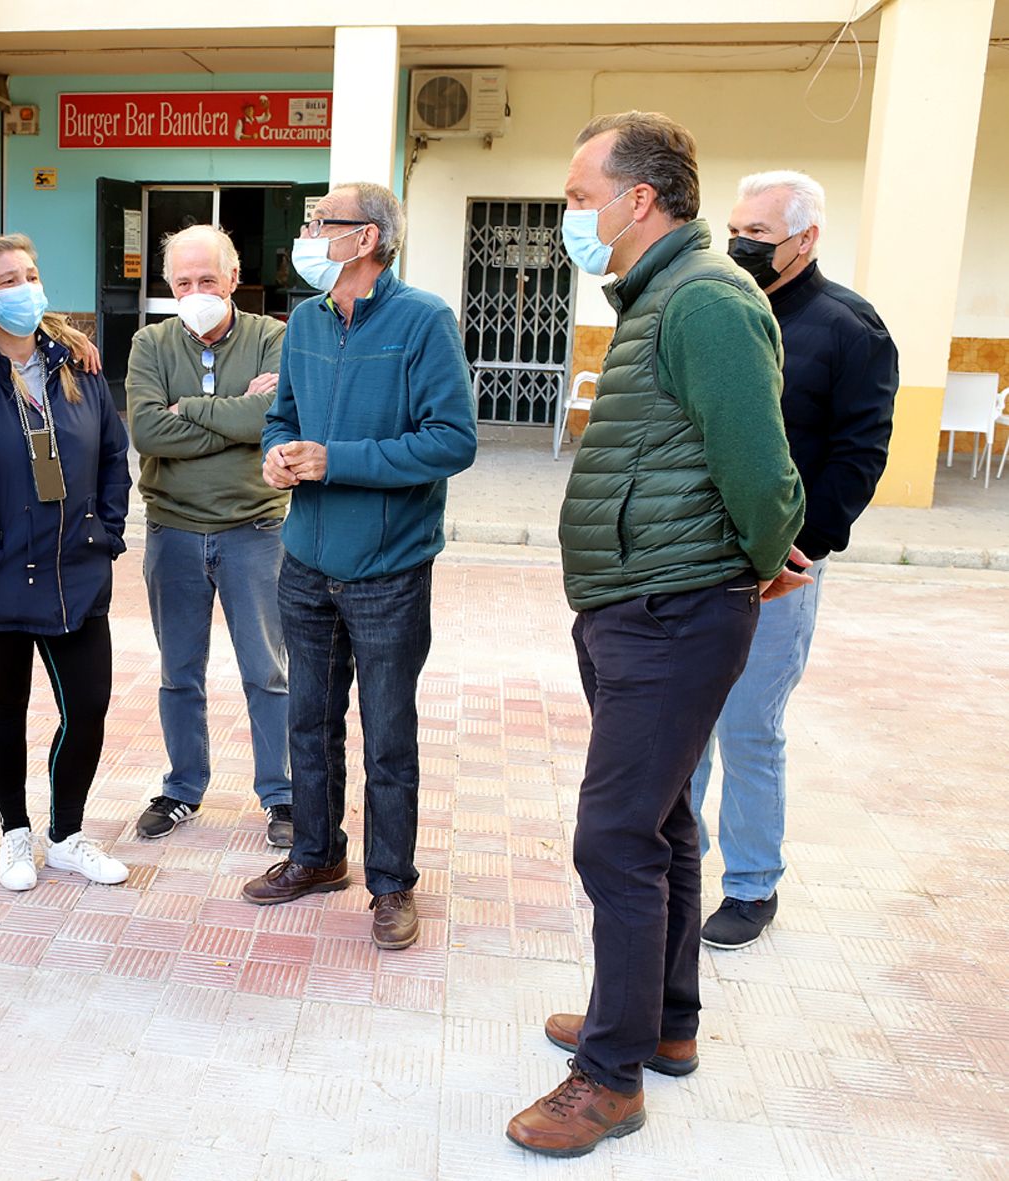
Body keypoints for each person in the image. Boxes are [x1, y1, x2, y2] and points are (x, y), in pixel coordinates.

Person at [507, 112, 808, 1158]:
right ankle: (662, 1020)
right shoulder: (656, 298)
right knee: (667, 823)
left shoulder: (703, 298)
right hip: (636, 601)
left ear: (640, 200)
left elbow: (762, 469)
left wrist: (759, 559)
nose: (569, 215)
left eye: (580, 194)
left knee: (615, 836)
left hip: (674, 605)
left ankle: (608, 1073)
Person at [241, 181, 478, 953]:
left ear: (367, 238)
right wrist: (279, 456)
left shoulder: (424, 321)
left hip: (388, 568)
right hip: (305, 560)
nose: (308, 234)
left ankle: (391, 883)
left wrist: (333, 459)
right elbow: (285, 417)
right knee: (307, 720)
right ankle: (314, 854)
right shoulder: (304, 321)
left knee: (387, 733)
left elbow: (451, 441)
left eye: (322, 223)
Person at [691, 171, 897, 949]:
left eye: (759, 234)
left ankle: (751, 885)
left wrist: (804, 546)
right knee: (685, 727)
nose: (740, 244)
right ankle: (680, 868)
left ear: (805, 240)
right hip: (696, 556)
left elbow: (859, 454)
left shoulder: (850, 328)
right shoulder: (717, 311)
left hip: (781, 567)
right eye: (734, 228)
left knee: (748, 727)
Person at [0, 234, 133, 892]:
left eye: (32, 273)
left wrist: (107, 529)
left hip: (78, 571)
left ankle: (67, 834)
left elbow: (114, 453)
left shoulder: (74, 364)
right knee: (5, 708)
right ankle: (14, 833)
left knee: (87, 707)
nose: (27, 288)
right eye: (9, 279)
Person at [126, 225, 293, 849]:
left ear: (232, 277)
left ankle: (282, 795)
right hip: (173, 531)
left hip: (256, 530)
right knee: (178, 672)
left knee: (268, 672)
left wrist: (188, 410)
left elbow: (272, 417)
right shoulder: (150, 342)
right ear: (170, 286)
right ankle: (183, 787)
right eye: (182, 282)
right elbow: (147, 433)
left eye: (207, 279)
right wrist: (233, 413)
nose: (195, 291)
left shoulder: (273, 337)